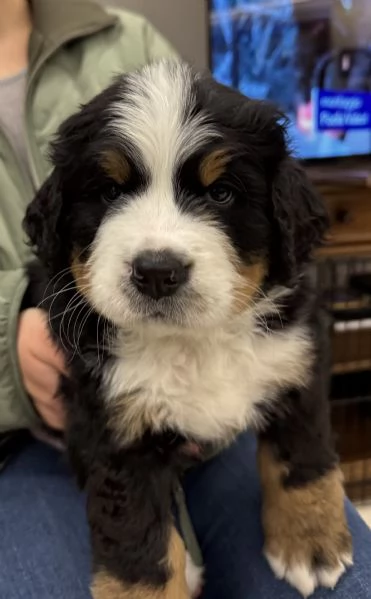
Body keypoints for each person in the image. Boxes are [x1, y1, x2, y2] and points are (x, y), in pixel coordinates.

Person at [0, 1, 370, 598]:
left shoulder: (125, 36)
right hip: (22, 444)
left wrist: (305, 486)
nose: (158, 251)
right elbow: (118, 463)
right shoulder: (100, 349)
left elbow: (299, 396)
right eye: (113, 190)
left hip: (224, 443)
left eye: (221, 192)